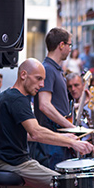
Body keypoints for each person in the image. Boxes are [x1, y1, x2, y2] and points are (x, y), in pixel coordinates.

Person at [0, 58, 94, 188]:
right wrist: (71, 143)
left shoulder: (4, 96)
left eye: (43, 79)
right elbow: (36, 132)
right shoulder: (18, 99)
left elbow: (24, 134)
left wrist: (63, 137)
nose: (42, 84)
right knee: (69, 187)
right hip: (14, 164)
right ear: (23, 75)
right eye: (38, 78)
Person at [30, 27, 76, 170]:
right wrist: (71, 127)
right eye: (69, 45)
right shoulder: (48, 69)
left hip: (57, 138)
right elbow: (44, 105)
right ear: (61, 45)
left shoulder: (54, 69)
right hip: (52, 140)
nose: (70, 49)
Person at [66, 73, 94, 158]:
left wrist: (79, 146)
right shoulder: (73, 104)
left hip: (93, 150)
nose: (73, 89)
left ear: (83, 85)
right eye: (70, 86)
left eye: (76, 85)